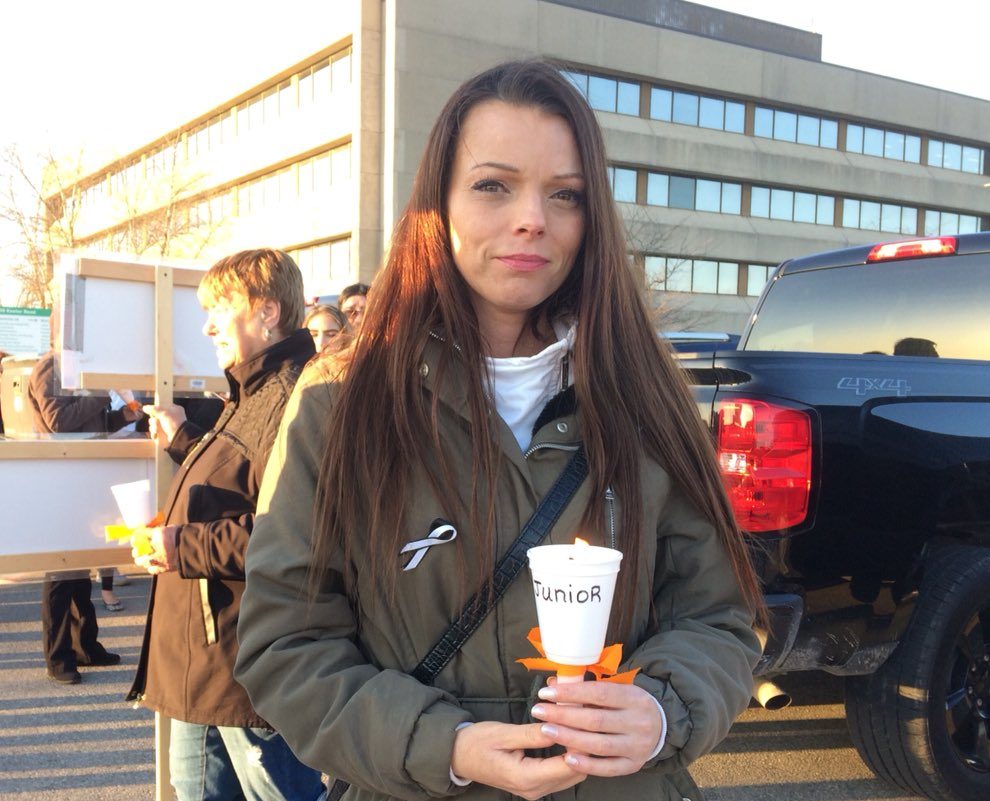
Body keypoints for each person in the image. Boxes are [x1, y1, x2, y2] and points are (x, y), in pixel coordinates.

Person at [235, 61, 762, 801]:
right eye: (493, 185)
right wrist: (443, 745)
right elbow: (285, 645)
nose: (532, 219)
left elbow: (719, 618)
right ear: (437, 204)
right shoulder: (342, 402)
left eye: (565, 194)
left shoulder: (645, 394)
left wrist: (661, 708)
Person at [127, 249, 323, 801]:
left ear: (267, 312)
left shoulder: (293, 396)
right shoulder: (250, 390)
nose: (208, 324)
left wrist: (179, 545)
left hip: (243, 661)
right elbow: (245, 482)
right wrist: (186, 442)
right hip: (205, 662)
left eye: (221, 307)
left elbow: (293, 533)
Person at [27, 350, 139, 684]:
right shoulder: (50, 366)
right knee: (63, 570)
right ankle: (59, 656)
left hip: (83, 473)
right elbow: (57, 421)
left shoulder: (80, 368)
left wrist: (126, 416)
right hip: (61, 475)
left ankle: (85, 646)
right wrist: (103, 392)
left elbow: (94, 424)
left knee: (81, 563)